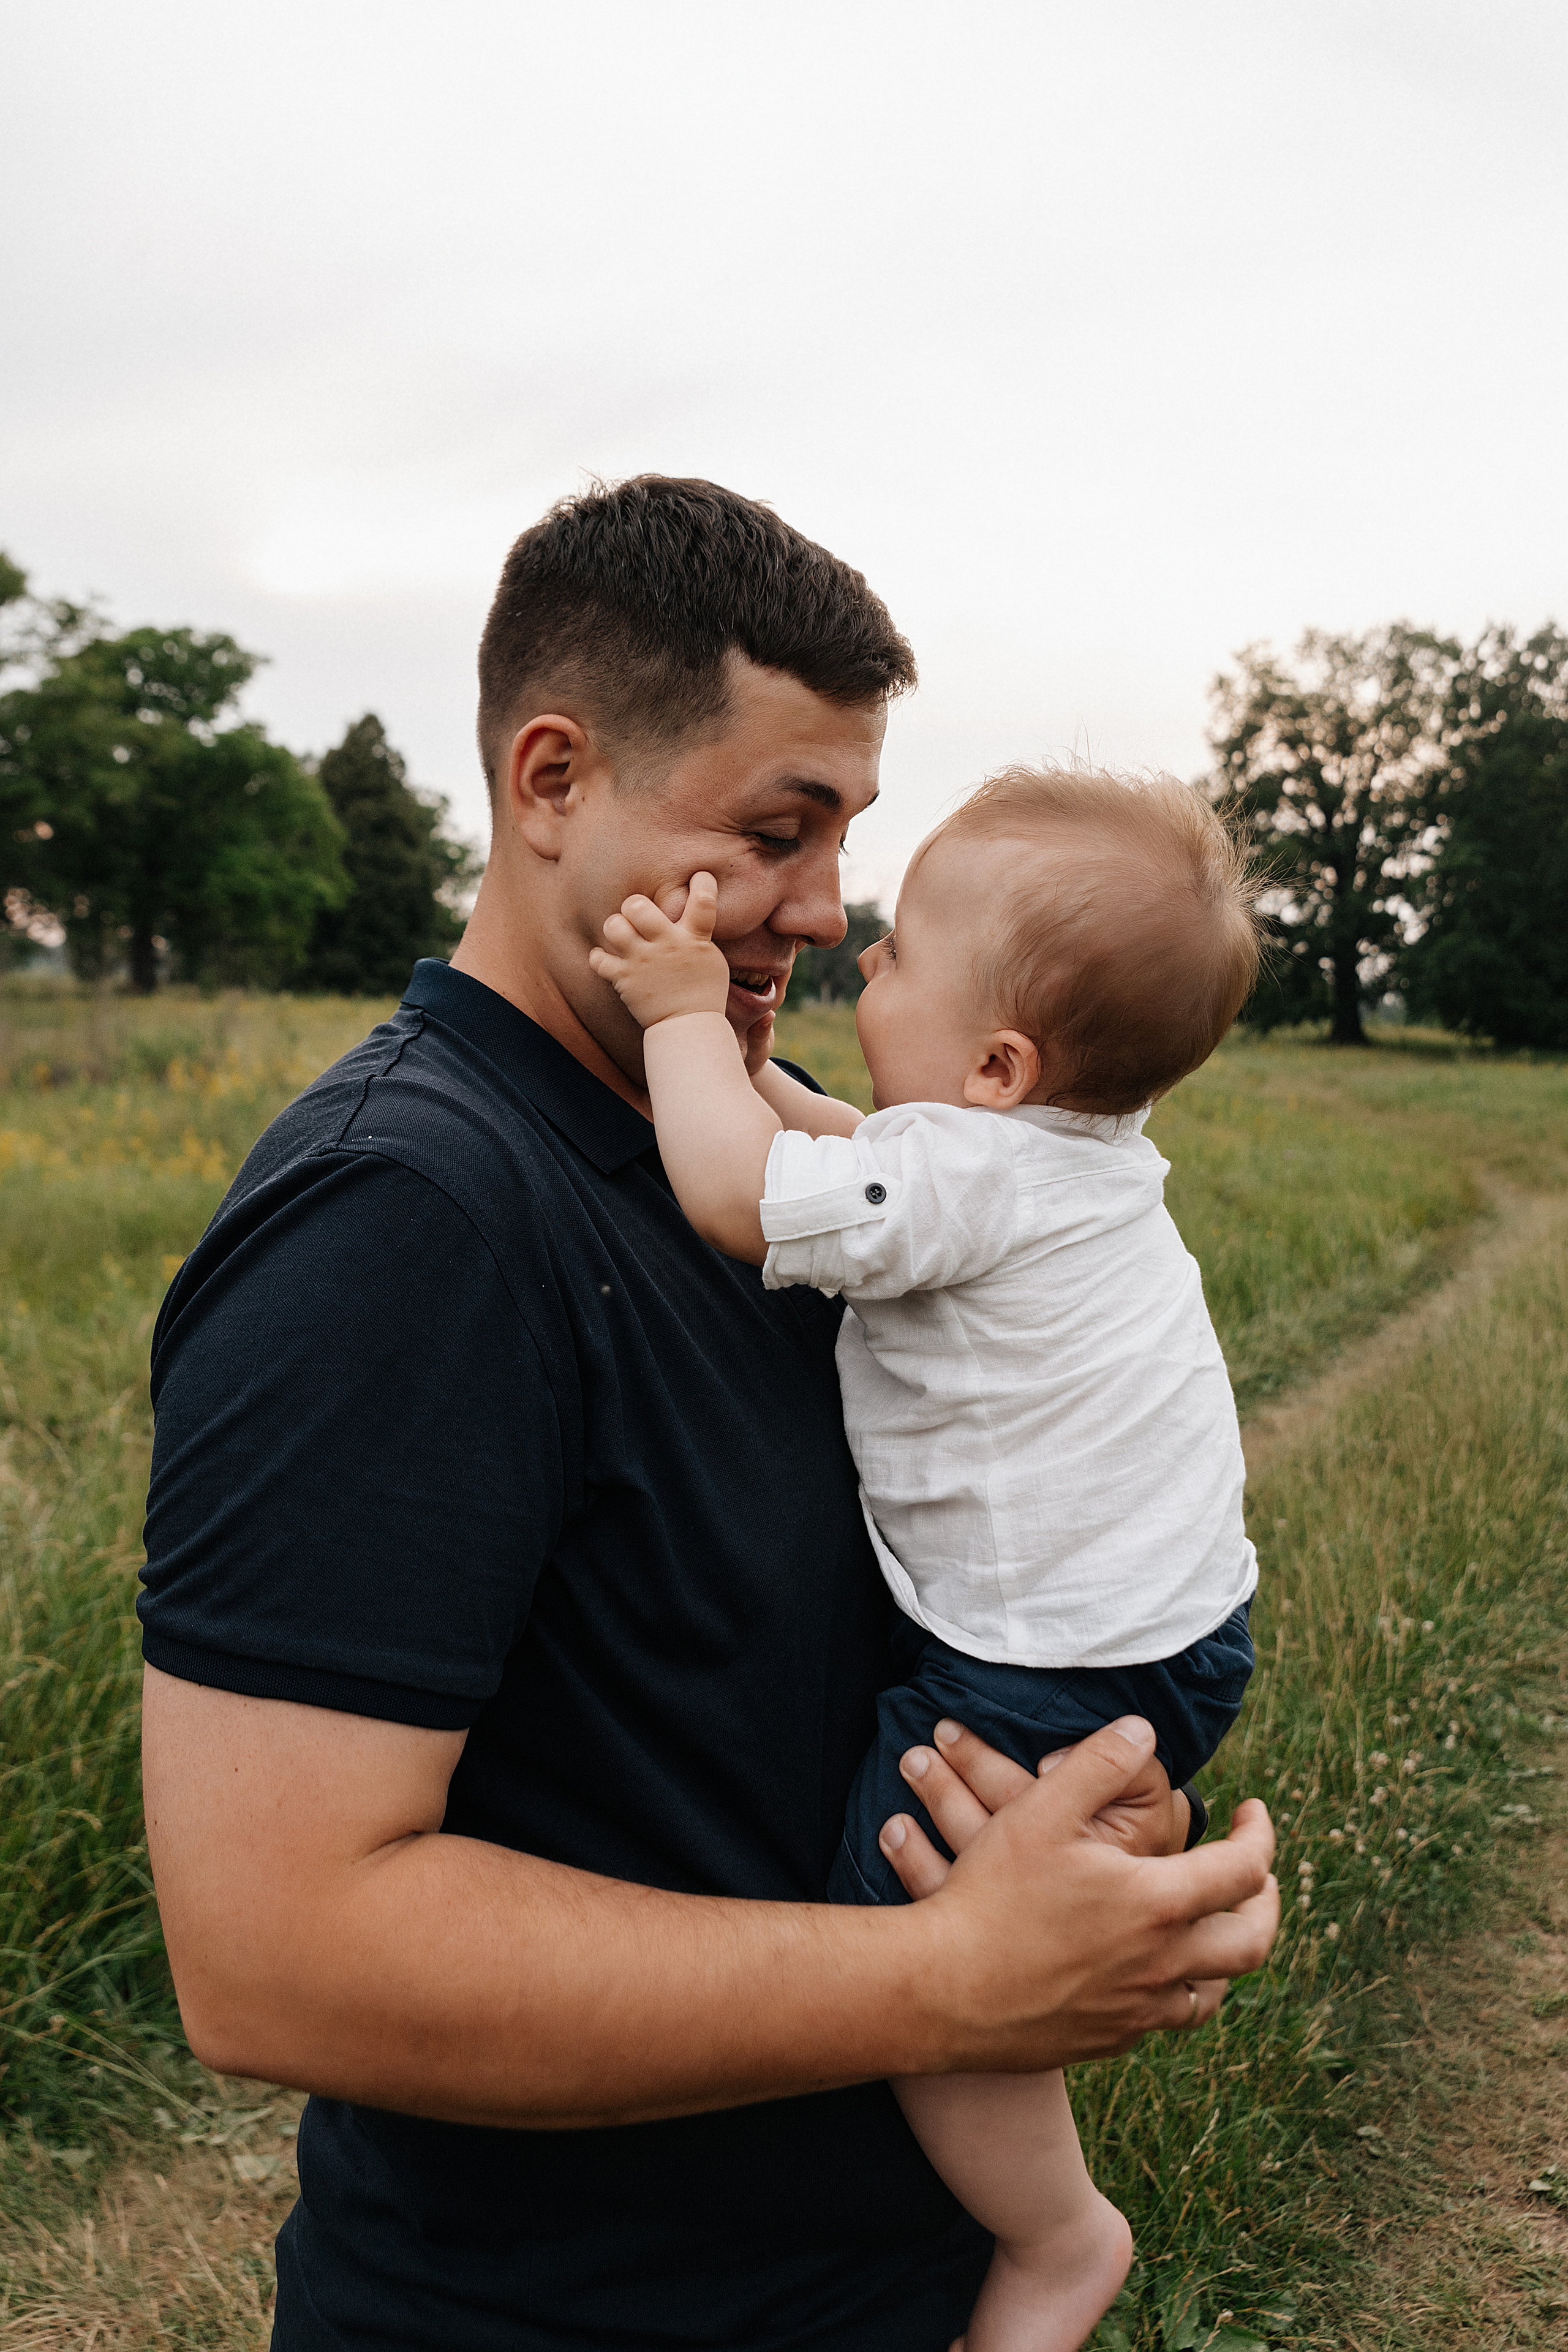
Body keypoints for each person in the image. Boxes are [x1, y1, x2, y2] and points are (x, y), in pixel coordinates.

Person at [138, 477, 1278, 2352]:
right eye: (776, 830)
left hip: (880, 2287)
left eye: (850, 842)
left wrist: (1077, 1822)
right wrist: (953, 1979)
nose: (827, 916)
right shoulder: (404, 1220)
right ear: (554, 778)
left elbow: (825, 1657)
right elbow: (278, 1965)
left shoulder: (771, 1141)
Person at [588, 762, 1263, 2352]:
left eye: (892, 955)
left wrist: (683, 1018)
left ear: (1001, 1063)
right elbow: (839, 1147)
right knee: (962, 1911)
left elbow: (749, 1197)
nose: (856, 954)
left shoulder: (967, 1172)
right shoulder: (1058, 1153)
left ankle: (1053, 2241)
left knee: (932, 1949)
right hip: (1158, 1628)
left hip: (1050, 1663)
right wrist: (761, 1069)